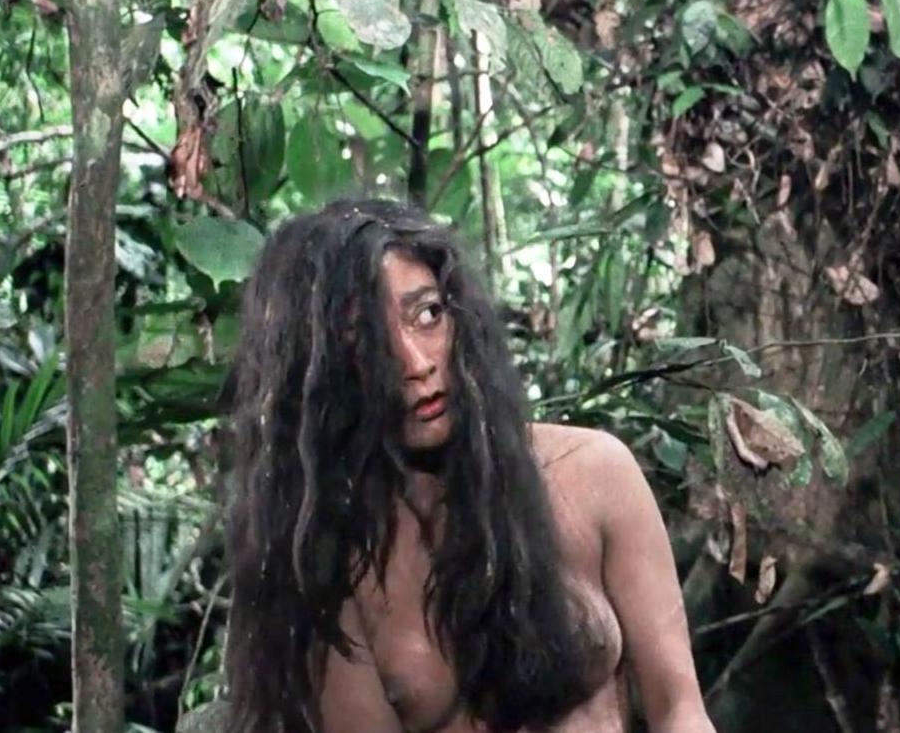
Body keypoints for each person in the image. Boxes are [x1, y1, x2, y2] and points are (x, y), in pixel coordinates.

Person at [218, 199, 716, 733]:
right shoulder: (337, 565)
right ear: (322, 372)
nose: (416, 363)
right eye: (366, 341)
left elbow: (680, 711)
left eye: (427, 315)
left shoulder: (594, 473)